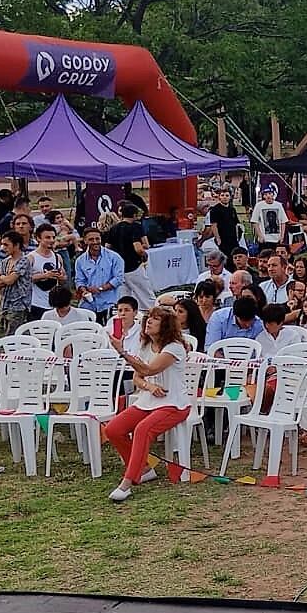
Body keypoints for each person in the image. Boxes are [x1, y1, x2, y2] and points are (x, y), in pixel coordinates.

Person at [103, 307, 192, 503]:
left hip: (174, 403)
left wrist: (122, 352)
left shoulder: (174, 347)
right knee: (113, 429)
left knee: (143, 430)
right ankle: (143, 469)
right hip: (148, 401)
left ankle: (127, 482)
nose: (149, 322)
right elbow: (138, 376)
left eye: (155, 319)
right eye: (148, 318)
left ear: (166, 325)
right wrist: (149, 386)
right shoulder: (145, 345)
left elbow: (149, 368)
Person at [106, 203, 154, 309]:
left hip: (118, 268)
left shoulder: (114, 228)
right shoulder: (135, 227)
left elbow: (107, 248)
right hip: (133, 266)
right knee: (145, 294)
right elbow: (138, 248)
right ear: (134, 215)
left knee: (124, 297)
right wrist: (144, 255)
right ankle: (150, 312)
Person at [0, 231, 34, 334]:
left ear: (16, 245)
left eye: (6, 245)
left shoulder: (24, 261)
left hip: (19, 304)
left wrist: (2, 277)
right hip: (6, 302)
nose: (3, 248)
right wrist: (4, 279)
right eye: (2, 244)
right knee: (6, 331)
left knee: (14, 334)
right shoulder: (5, 261)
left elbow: (10, 280)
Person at [26, 224, 65, 320]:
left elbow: (64, 278)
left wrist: (60, 277)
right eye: (47, 237)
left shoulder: (57, 257)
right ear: (38, 238)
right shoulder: (31, 258)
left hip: (54, 304)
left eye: (53, 237)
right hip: (36, 304)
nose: (51, 240)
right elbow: (24, 279)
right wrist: (45, 275)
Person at [248, 185, 288, 252]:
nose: (268, 196)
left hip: (276, 239)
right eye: (266, 194)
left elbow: (283, 222)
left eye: (270, 193)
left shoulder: (279, 205)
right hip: (264, 239)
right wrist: (260, 235)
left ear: (273, 194)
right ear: (263, 196)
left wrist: (282, 236)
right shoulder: (259, 205)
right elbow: (255, 222)